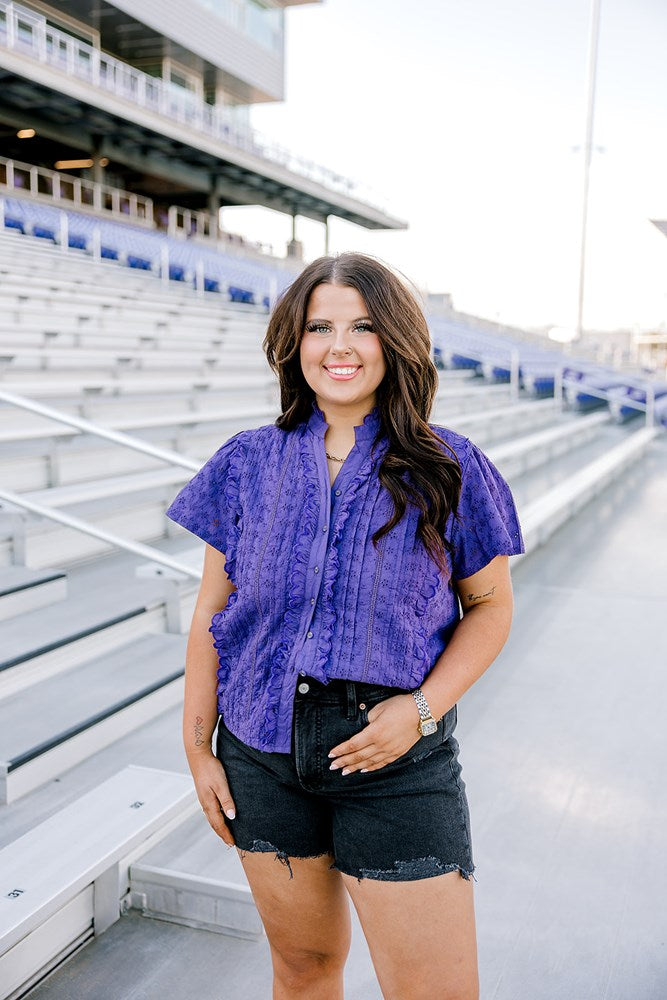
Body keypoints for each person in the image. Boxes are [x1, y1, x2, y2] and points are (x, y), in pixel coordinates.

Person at [165, 251, 525, 1000]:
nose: (339, 346)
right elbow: (210, 611)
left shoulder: (447, 465)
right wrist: (198, 749)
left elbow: (490, 608)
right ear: (292, 344)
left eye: (362, 326)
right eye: (319, 326)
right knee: (302, 972)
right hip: (259, 757)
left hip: (393, 763)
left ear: (394, 341)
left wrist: (420, 713)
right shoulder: (245, 463)